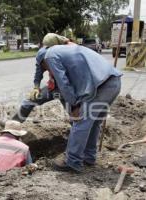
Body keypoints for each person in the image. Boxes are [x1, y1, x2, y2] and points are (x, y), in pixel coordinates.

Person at [38, 33, 122, 173]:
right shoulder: (71, 48)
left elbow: (63, 83)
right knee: (93, 123)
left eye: (44, 67)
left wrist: (75, 105)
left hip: (100, 86)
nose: (47, 70)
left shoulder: (50, 55)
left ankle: (73, 161)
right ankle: (89, 157)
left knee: (80, 121)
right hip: (113, 82)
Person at [12, 34, 71, 123]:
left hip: (68, 89)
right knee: (29, 101)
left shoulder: (68, 53)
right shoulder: (42, 54)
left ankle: (77, 133)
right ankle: (13, 125)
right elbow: (38, 72)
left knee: (75, 114)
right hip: (53, 87)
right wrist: (36, 87)